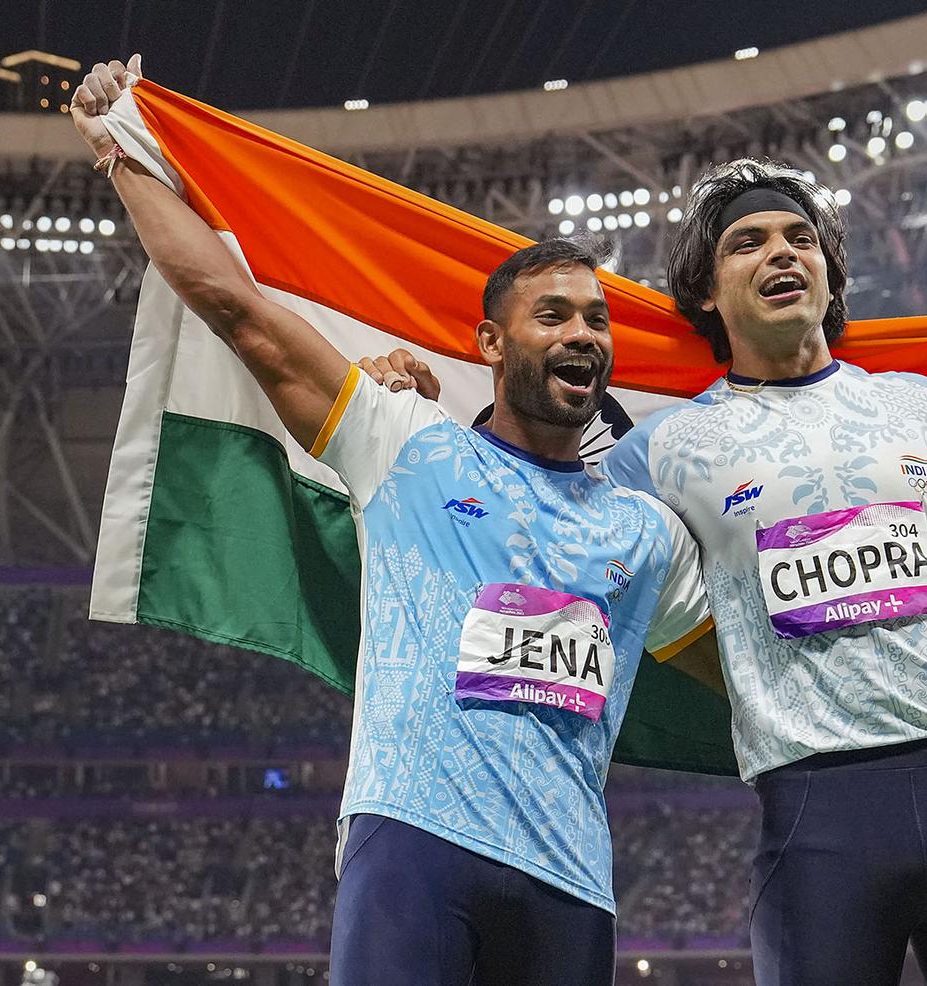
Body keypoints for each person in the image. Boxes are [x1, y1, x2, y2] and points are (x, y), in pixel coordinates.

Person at [71, 58, 715, 986]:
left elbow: (748, 671)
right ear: (491, 344)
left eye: (598, 320)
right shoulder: (407, 444)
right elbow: (236, 308)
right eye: (554, 315)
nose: (585, 334)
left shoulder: (645, 533)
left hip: (570, 884)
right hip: (416, 846)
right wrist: (123, 155)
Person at [597, 159, 927, 985]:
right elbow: (549, 528)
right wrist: (410, 406)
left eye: (799, 238)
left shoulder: (920, 407)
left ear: (827, 272)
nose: (781, 253)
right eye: (747, 243)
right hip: (816, 808)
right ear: (707, 293)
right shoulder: (662, 453)